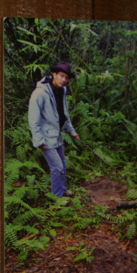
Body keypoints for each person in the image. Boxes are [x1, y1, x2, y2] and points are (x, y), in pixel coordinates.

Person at [27, 61, 81, 198]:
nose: (64, 80)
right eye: (61, 76)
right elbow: (33, 119)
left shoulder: (61, 91)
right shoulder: (40, 93)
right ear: (54, 74)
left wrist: (72, 131)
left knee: (62, 164)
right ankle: (57, 198)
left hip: (57, 136)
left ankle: (61, 189)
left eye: (66, 78)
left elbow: (64, 115)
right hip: (46, 138)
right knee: (57, 167)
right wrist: (39, 140)